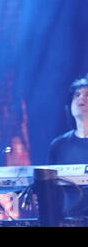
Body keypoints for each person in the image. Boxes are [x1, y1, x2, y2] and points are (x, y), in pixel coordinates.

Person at [48, 74, 88, 217]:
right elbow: (51, 192)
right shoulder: (59, 145)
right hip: (69, 220)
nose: (81, 98)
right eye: (76, 95)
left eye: (87, 95)